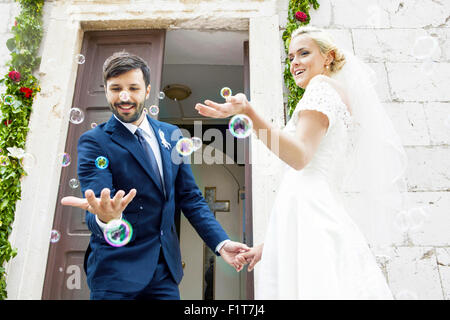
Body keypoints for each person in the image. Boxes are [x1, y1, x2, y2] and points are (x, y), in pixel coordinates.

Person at [195, 26, 407, 299]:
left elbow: (300, 157)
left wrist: (249, 112)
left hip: (310, 214)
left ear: (328, 57)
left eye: (304, 53)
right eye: (291, 56)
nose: (294, 62)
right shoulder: (337, 94)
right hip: (310, 213)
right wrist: (270, 244)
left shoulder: (321, 88)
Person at [61, 51, 249, 300]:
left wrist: (221, 243)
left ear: (147, 90)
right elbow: (99, 201)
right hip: (115, 273)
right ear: (106, 91)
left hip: (164, 273)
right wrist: (107, 219)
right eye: (115, 88)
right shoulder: (94, 142)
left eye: (133, 88)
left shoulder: (172, 134)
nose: (124, 96)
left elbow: (190, 198)